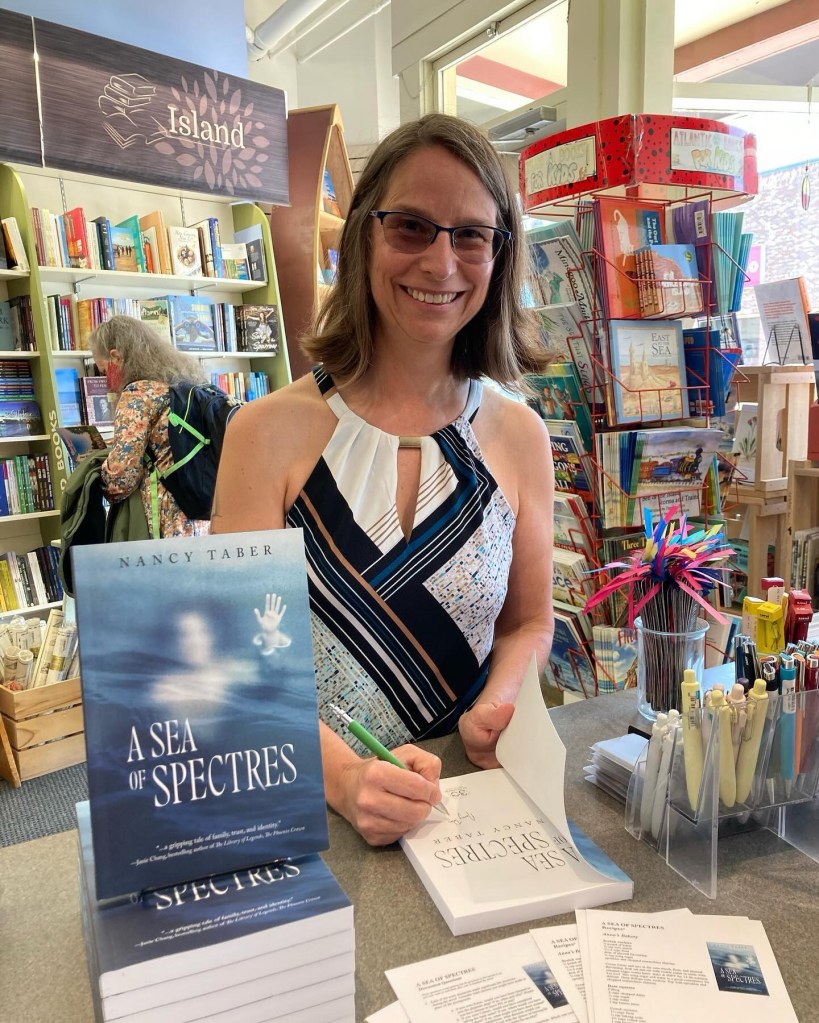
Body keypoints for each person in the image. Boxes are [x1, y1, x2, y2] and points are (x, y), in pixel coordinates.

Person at [212, 113, 556, 846]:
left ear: (499, 255)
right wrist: (342, 778)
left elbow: (527, 621)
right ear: (364, 234)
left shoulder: (520, 437)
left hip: (467, 815)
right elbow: (240, 662)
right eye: (410, 227)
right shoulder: (263, 434)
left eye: (469, 235)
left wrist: (499, 702)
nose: (440, 263)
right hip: (308, 811)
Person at [88, 314, 211, 538]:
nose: (105, 378)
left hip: (166, 521)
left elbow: (120, 481)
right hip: (204, 517)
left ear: (115, 357)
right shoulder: (184, 384)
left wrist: (94, 467)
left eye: (103, 369)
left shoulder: (138, 394)